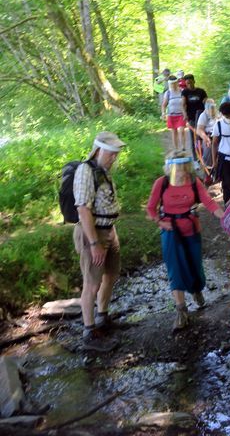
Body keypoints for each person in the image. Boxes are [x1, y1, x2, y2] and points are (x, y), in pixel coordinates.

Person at [146, 150, 224, 330]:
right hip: (171, 232)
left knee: (195, 266)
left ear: (187, 167)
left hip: (191, 230)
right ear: (169, 168)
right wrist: (160, 222)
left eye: (182, 167)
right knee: (175, 268)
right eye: (176, 167)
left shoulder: (194, 183)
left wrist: (224, 216)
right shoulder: (162, 183)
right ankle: (181, 311)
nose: (180, 171)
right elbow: (151, 208)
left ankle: (196, 289)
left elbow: (210, 203)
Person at [73, 131, 126, 352]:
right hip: (92, 234)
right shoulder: (86, 171)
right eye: (111, 153)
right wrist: (94, 243)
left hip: (109, 230)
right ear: (98, 150)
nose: (114, 157)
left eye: (116, 154)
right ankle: (89, 331)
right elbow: (83, 210)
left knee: (111, 275)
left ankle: (103, 317)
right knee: (92, 283)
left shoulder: (103, 171)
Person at [181, 74, 208, 161]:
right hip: (191, 117)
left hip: (202, 117)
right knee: (194, 137)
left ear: (194, 81)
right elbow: (183, 104)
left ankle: (204, 156)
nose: (189, 84)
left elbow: (207, 102)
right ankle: (195, 158)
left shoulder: (201, 91)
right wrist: (184, 114)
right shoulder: (185, 92)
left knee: (203, 136)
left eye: (190, 82)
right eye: (187, 83)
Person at [196, 98, 219, 183]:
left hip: (219, 135)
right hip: (209, 136)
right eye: (210, 106)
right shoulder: (203, 115)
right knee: (209, 149)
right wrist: (206, 138)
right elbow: (199, 130)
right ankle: (208, 174)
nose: (212, 108)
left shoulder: (218, 114)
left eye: (213, 106)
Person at [162, 76, 186, 150]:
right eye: (171, 84)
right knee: (174, 132)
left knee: (181, 130)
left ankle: (183, 147)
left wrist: (185, 113)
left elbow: (185, 104)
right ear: (169, 84)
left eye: (174, 83)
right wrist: (163, 113)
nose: (173, 85)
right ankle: (176, 149)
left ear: (177, 83)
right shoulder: (168, 93)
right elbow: (164, 105)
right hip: (171, 115)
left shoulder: (182, 91)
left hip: (181, 115)